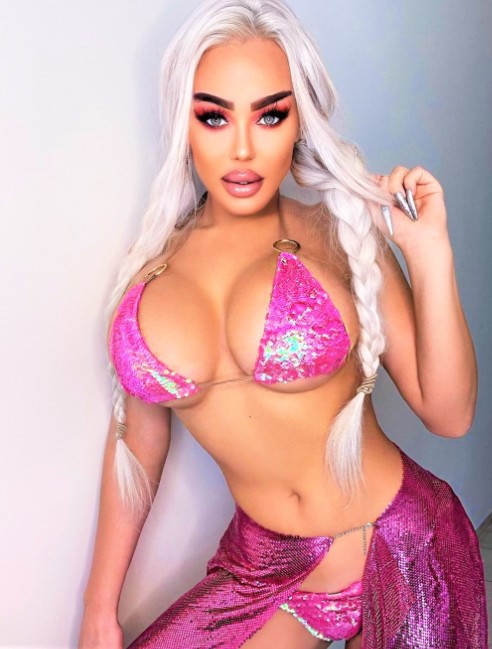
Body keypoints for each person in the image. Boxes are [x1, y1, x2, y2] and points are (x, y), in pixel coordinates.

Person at [78, 1, 488, 647]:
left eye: (270, 114)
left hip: (402, 544)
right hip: (267, 565)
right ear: (183, 121)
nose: (243, 147)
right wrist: (99, 607)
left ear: (299, 122)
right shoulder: (149, 271)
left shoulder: (338, 235)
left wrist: (429, 251)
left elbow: (450, 414)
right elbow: (139, 443)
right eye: (214, 116)